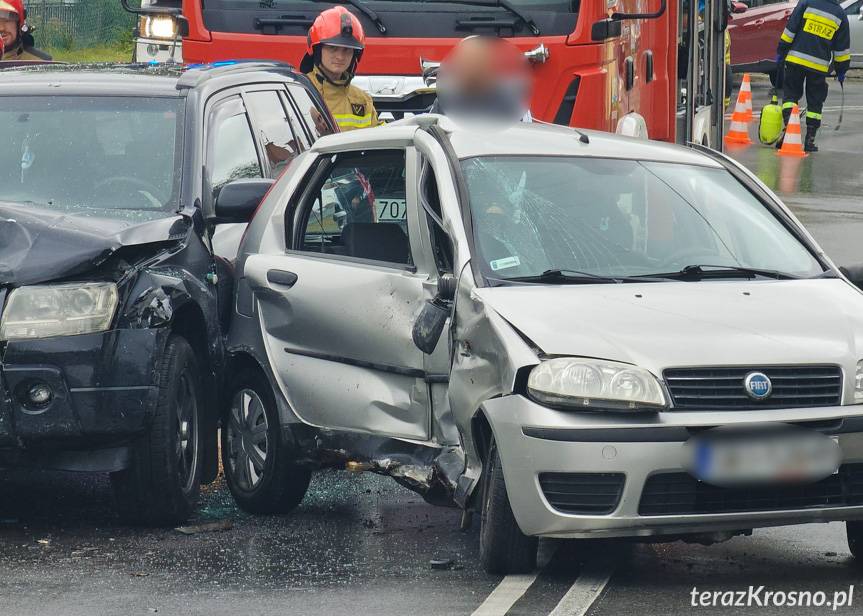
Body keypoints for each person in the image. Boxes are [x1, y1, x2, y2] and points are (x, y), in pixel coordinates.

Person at [776, 0, 851, 152]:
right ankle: (809, 140)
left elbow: (790, 30)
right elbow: (841, 49)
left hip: (795, 60)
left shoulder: (806, 2)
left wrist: (781, 50)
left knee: (790, 97)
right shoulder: (840, 14)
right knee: (815, 104)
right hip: (818, 67)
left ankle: (789, 131)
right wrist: (841, 71)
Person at [300, 6, 380, 132]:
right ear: (317, 50)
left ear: (355, 55)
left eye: (347, 50)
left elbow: (378, 139)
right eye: (333, 48)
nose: (340, 56)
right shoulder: (300, 92)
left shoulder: (363, 101)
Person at [432, 36, 533, 122]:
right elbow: (433, 132)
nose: (472, 72)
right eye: (465, 65)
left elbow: (524, 134)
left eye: (478, 64)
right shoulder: (445, 101)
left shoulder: (511, 102)